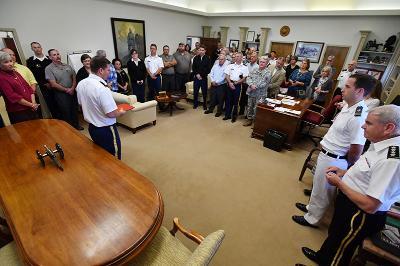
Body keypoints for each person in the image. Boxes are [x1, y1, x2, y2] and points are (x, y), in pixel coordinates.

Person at [299, 105, 400, 266]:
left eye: (369, 123)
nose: (363, 125)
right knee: (335, 235)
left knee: (341, 248)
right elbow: (367, 172)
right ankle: (322, 257)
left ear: (388, 128)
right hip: (349, 202)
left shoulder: (392, 160)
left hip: (359, 213)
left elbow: (371, 205)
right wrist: (343, 173)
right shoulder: (381, 141)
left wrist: (339, 184)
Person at [292, 74, 376, 228]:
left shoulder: (359, 116)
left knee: (324, 192)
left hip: (335, 159)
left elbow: (357, 148)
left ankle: (312, 219)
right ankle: (311, 208)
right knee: (318, 186)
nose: (342, 89)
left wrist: (347, 163)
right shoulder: (349, 105)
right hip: (327, 154)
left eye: (348, 86)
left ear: (360, 91)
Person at [76, 56, 126, 160]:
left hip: (92, 128)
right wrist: (121, 111)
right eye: (108, 70)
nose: (109, 72)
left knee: (102, 155)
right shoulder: (102, 88)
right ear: (101, 70)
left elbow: (81, 104)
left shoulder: (81, 84)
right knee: (114, 157)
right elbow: (111, 113)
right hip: (106, 129)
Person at [45, 49, 82, 130]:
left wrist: (72, 88)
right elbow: (53, 84)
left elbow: (74, 77)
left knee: (74, 109)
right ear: (50, 57)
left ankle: (76, 125)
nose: (57, 56)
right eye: (54, 55)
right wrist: (66, 90)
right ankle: (70, 129)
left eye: (58, 54)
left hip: (72, 91)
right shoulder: (49, 68)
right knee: (66, 111)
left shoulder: (67, 66)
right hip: (61, 94)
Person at [0, 51, 39, 124]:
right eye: (6, 62)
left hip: (31, 107)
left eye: (11, 61)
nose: (10, 64)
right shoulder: (1, 77)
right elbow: (13, 96)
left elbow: (29, 88)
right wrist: (31, 105)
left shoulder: (16, 72)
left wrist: (33, 103)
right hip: (18, 111)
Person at [26, 42, 54, 116]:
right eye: (34, 47)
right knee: (48, 105)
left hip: (54, 84)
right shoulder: (30, 61)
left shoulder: (49, 58)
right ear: (32, 49)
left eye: (38, 47)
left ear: (41, 48)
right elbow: (31, 75)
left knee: (58, 103)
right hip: (42, 87)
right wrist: (44, 84)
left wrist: (52, 83)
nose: (37, 49)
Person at [243, 56, 271, 127]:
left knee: (257, 108)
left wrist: (254, 86)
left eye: (263, 62)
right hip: (251, 92)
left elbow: (264, 83)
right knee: (250, 106)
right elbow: (249, 77)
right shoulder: (254, 69)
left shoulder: (268, 72)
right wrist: (251, 84)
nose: (261, 63)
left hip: (260, 94)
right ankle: (249, 119)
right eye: (260, 62)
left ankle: (256, 122)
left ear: (267, 63)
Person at [224, 52, 249, 122]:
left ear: (241, 58)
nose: (236, 58)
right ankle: (227, 115)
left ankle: (234, 116)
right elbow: (227, 75)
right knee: (228, 100)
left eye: (238, 56)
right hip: (230, 84)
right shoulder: (230, 66)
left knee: (236, 101)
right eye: (235, 56)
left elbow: (244, 78)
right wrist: (229, 83)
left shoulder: (245, 67)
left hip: (238, 85)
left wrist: (236, 83)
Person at [192, 44, 210, 109]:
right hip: (196, 78)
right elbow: (194, 67)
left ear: (205, 51)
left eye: (203, 50)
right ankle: (195, 104)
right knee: (195, 91)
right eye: (200, 50)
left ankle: (204, 105)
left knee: (204, 92)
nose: (201, 51)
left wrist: (201, 75)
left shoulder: (207, 58)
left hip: (203, 78)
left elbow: (208, 69)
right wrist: (197, 74)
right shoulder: (195, 58)